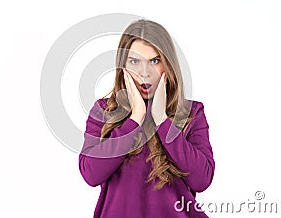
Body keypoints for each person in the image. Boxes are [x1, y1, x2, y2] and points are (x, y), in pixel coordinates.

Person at [78, 19, 215, 218]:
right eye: (135, 61)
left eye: (155, 61)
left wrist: (161, 120)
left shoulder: (191, 112)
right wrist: (135, 119)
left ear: (168, 65)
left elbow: (202, 180)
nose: (144, 73)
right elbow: (91, 174)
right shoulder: (103, 111)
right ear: (122, 66)